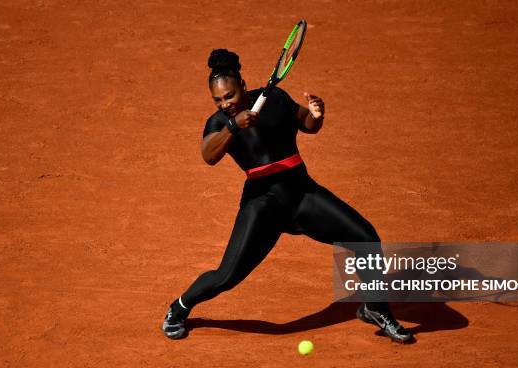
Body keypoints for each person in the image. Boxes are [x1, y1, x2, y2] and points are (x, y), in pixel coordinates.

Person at [162, 49, 412, 343]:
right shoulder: (219, 122)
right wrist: (233, 124)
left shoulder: (276, 99)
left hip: (302, 194)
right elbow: (208, 155)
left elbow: (306, 123)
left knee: (366, 238)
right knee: (227, 275)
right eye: (218, 100)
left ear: (242, 85)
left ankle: (375, 307)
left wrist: (316, 115)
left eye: (229, 96)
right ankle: (179, 308)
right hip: (263, 205)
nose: (224, 104)